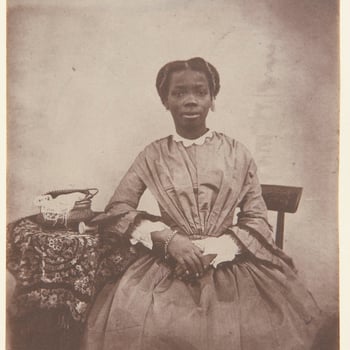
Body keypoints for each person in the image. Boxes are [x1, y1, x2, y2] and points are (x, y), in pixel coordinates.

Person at [81, 57, 324, 350]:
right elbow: (118, 209)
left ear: (212, 99)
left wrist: (216, 250)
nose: (191, 101)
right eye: (179, 93)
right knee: (147, 320)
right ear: (165, 101)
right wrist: (167, 240)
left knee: (256, 327)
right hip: (167, 263)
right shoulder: (153, 154)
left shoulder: (237, 153)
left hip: (228, 263)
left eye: (200, 91)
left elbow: (257, 219)